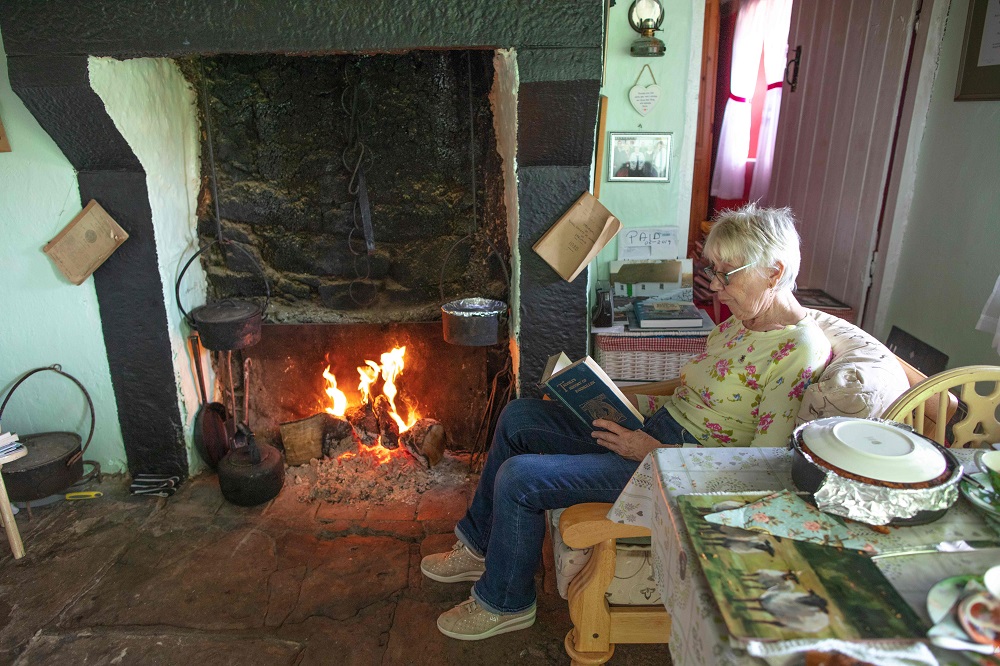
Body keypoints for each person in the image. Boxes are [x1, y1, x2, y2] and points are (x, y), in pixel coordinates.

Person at [421, 203, 832, 641]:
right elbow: (692, 390)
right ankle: (480, 546)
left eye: (727, 274)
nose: (716, 287)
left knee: (520, 477)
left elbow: (760, 466)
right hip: (652, 431)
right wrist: (609, 393)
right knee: (520, 415)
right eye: (713, 270)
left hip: (677, 469)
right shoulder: (744, 323)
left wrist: (652, 451)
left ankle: (507, 602)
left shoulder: (798, 352)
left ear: (774, 271)